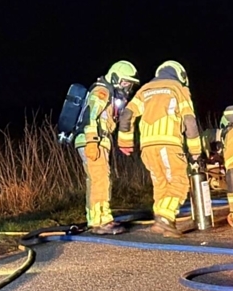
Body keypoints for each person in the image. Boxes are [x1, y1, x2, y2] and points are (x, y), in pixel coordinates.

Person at [117, 60, 201, 237]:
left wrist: (125, 141)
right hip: (169, 144)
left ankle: (162, 223)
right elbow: (190, 122)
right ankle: (165, 216)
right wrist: (195, 150)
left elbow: (126, 115)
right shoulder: (179, 89)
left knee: (161, 184)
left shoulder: (144, 90)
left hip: (147, 148)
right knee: (179, 182)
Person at [75, 60, 139, 235]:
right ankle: (101, 221)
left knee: (97, 179)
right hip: (93, 141)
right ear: (116, 77)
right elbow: (90, 115)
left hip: (97, 140)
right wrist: (91, 141)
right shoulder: (102, 91)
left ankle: (96, 218)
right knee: (100, 180)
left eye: (130, 84)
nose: (127, 87)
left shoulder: (110, 94)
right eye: (125, 82)